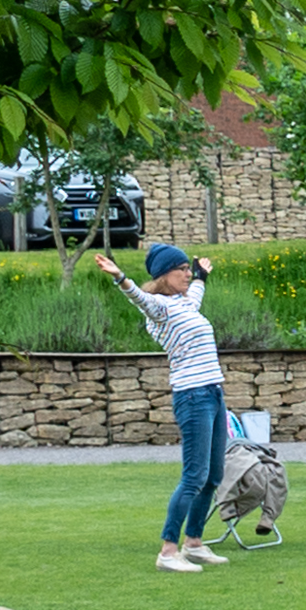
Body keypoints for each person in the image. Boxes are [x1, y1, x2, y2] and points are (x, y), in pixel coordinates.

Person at [100, 244, 226, 573]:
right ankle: (169, 551)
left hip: (213, 392)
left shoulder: (186, 304)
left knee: (213, 476)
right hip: (192, 396)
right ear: (164, 276)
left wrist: (201, 275)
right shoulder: (159, 308)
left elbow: (197, 291)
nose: (186, 274)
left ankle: (194, 543)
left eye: (187, 269)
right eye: (181, 270)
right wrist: (120, 278)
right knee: (193, 477)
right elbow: (138, 297)